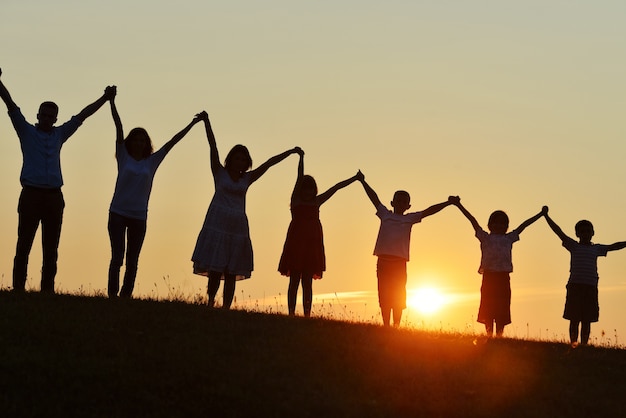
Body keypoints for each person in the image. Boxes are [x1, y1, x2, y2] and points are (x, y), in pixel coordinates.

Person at [0, 67, 115, 293]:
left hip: (54, 196)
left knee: (51, 247)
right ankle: (18, 288)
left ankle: (47, 290)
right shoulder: (26, 131)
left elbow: (83, 115)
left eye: (50, 116)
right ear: (38, 116)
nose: (46, 119)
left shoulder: (60, 134)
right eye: (43, 115)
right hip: (31, 194)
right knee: (24, 244)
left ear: (55, 119)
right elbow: (10, 105)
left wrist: (104, 98)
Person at [191, 112, 301, 309]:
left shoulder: (247, 179)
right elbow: (212, 146)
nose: (240, 162)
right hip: (217, 223)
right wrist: (206, 122)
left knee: (231, 269)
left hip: (237, 227)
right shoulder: (219, 172)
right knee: (215, 268)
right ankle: (209, 301)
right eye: (237, 158)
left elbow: (269, 163)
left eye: (244, 159)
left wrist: (290, 152)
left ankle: (226, 307)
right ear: (230, 160)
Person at [107, 93, 205, 298]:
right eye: (136, 139)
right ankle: (112, 295)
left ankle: (125, 295)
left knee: (132, 260)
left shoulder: (151, 162)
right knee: (117, 258)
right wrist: (112, 102)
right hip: (117, 212)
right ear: (130, 142)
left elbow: (172, 142)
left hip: (138, 216)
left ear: (146, 143)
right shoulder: (123, 156)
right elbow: (118, 127)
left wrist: (193, 124)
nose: (139, 143)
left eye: (143, 140)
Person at [358, 173, 457, 327]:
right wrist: (362, 181)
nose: (401, 203)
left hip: (399, 263)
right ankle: (386, 325)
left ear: (408, 206)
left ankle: (396, 325)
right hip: (383, 262)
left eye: (404, 201)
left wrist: (448, 203)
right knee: (384, 294)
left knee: (398, 295)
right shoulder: (385, 214)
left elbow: (429, 211)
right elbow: (374, 198)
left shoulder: (409, 218)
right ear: (392, 202)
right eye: (398, 200)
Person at [278, 151, 362, 316]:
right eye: (305, 189)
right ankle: (291, 313)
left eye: (311, 190)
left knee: (307, 281)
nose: (308, 193)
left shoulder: (317, 201)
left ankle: (307, 313)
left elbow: (336, 188)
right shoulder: (296, 200)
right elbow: (299, 176)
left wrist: (354, 178)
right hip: (296, 244)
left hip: (312, 245)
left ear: (314, 190)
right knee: (294, 280)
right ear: (301, 190)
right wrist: (301, 158)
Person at [453, 199, 545, 337]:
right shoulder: (484, 237)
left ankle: (499, 335)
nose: (499, 225)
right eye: (496, 222)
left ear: (507, 226)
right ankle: (489, 334)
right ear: (489, 224)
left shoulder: (509, 238)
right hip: (489, 277)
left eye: (503, 223)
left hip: (503, 278)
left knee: (502, 308)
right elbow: (472, 220)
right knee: (488, 307)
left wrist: (540, 214)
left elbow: (524, 225)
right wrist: (459, 205)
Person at [543, 207, 626, 346]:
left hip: (590, 287)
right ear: (577, 233)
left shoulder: (597, 248)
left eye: (588, 231)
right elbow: (558, 232)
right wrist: (546, 216)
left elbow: (614, 246)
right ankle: (573, 344)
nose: (585, 233)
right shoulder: (573, 246)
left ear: (593, 233)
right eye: (582, 231)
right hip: (575, 286)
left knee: (587, 319)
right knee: (574, 318)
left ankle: (584, 345)